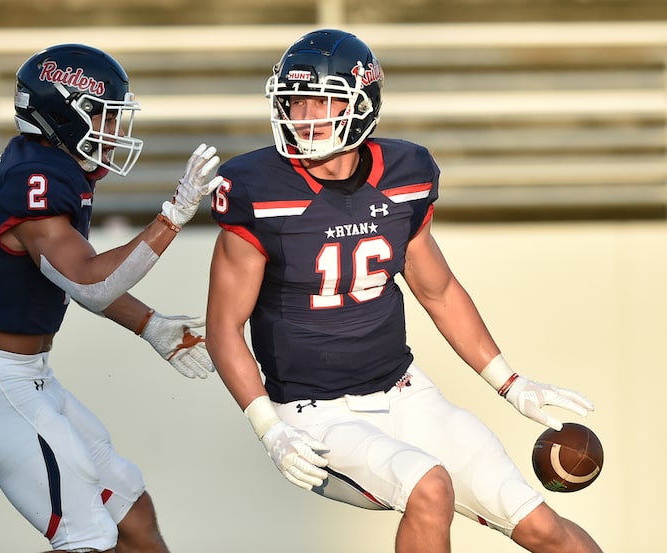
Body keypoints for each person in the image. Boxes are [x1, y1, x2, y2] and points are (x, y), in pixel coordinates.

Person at [205, 29, 603, 553]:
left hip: (403, 390)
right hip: (312, 412)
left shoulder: (405, 174)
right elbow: (222, 328)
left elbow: (437, 290)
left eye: (320, 102)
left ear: (362, 103)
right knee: (429, 485)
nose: (303, 118)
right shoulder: (258, 187)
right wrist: (267, 426)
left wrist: (511, 383)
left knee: (545, 530)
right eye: (294, 102)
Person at [0, 43, 221, 553]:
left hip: (30, 377)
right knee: (87, 536)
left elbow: (67, 276)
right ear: (65, 113)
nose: (115, 132)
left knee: (132, 516)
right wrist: (173, 218)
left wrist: (150, 324)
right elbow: (90, 283)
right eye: (105, 115)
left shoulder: (48, 165)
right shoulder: (36, 179)